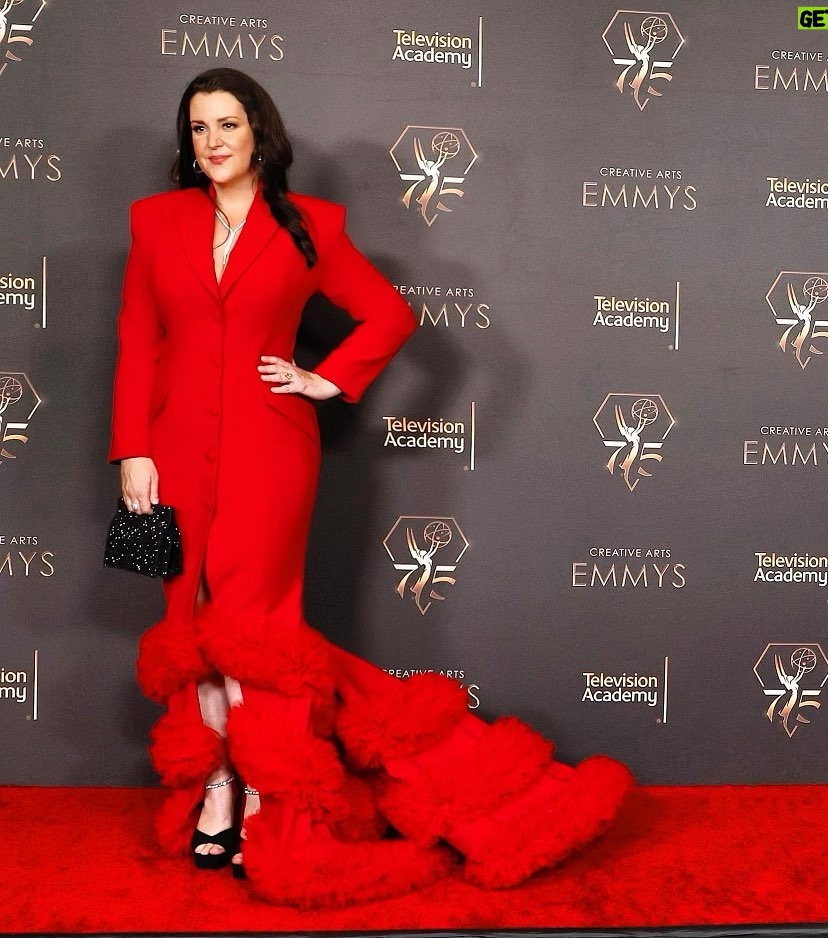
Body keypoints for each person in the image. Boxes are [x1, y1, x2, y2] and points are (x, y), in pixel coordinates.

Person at [110, 66, 633, 909]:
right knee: (189, 627)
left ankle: (265, 802)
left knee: (256, 633)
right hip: (168, 457)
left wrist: (326, 379)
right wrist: (132, 450)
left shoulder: (309, 225)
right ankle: (215, 786)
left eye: (228, 125)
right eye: (199, 126)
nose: (212, 141)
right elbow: (139, 342)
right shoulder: (155, 222)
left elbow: (389, 315)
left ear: (260, 135)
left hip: (270, 452)